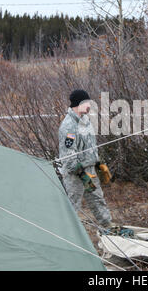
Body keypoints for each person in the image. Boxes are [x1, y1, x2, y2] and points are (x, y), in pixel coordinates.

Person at [58, 89, 114, 229]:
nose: (90, 105)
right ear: (79, 103)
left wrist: (98, 162)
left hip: (89, 170)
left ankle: (108, 226)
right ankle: (69, 234)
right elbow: (68, 157)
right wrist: (82, 174)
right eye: (87, 102)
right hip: (75, 175)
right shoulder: (68, 126)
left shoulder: (86, 121)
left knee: (97, 198)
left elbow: (90, 146)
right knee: (73, 205)